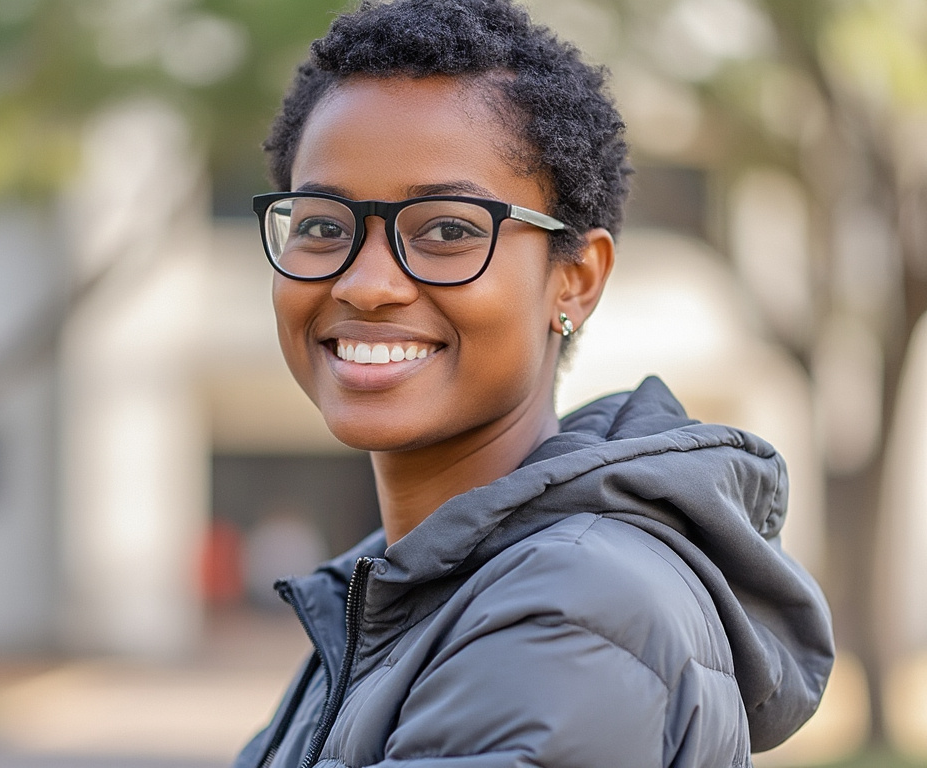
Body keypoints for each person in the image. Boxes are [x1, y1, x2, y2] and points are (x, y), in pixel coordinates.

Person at [235, 0, 834, 766]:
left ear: (575, 281)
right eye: (322, 225)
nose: (367, 283)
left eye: (448, 229)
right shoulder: (405, 593)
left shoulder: (571, 612)